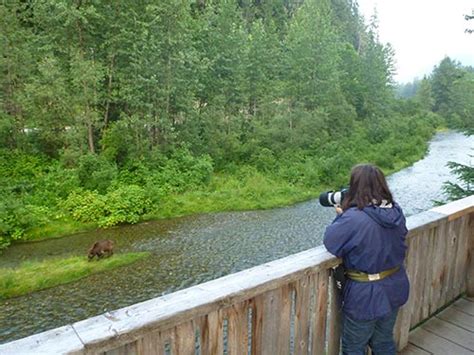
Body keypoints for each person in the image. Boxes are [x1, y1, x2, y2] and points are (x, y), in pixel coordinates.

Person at [323, 164, 409, 355]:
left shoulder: (353, 218)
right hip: (394, 286)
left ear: (355, 186)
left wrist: (342, 216)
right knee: (384, 341)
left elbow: (331, 242)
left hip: (365, 296)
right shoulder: (395, 210)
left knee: (354, 347)